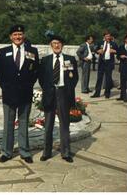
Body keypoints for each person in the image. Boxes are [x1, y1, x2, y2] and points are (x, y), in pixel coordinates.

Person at [0, 25, 39, 164]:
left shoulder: (32, 51)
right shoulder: (3, 52)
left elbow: (35, 71)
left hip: (25, 93)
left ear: (24, 35)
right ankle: (6, 152)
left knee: (23, 123)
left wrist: (28, 85)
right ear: (10, 37)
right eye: (15, 34)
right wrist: (5, 87)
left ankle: (24, 151)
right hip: (9, 94)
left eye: (20, 34)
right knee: (8, 124)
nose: (18, 37)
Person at [38, 34, 78, 163]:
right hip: (50, 93)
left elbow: (75, 77)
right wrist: (48, 89)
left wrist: (68, 89)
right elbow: (41, 78)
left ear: (62, 45)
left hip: (63, 93)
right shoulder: (45, 60)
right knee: (48, 124)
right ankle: (46, 152)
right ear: (51, 45)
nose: (57, 45)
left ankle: (65, 152)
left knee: (64, 123)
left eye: (59, 43)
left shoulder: (70, 59)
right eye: (54, 43)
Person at [91, 31, 118, 98]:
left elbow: (119, 51)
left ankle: (107, 93)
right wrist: (97, 51)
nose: (108, 37)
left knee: (108, 79)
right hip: (101, 63)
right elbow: (94, 49)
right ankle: (97, 93)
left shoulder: (114, 44)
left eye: (109, 36)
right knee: (99, 78)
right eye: (106, 36)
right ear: (104, 37)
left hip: (109, 63)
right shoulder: (100, 43)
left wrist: (115, 51)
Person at [116, 34, 127, 102]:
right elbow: (117, 56)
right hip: (123, 66)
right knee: (123, 82)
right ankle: (122, 96)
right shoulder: (121, 47)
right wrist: (120, 56)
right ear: (125, 40)